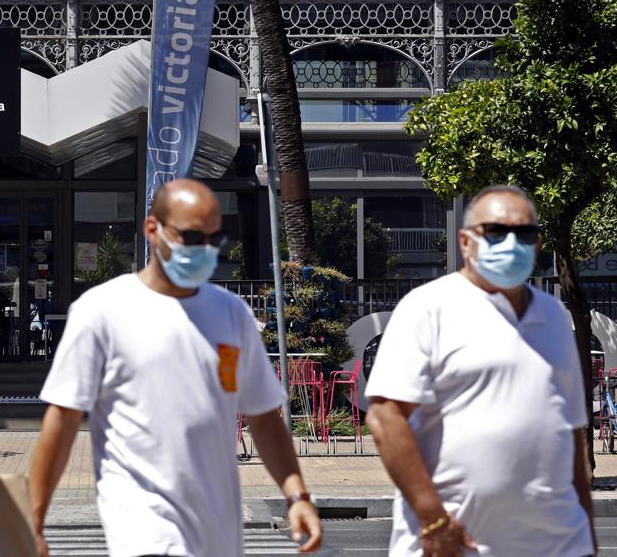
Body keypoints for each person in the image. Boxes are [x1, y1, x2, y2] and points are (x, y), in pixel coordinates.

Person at [29, 178, 323, 556]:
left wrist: (296, 495)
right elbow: (63, 419)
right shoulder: (102, 311)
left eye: (213, 239)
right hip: (144, 530)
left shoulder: (232, 314)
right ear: (152, 229)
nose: (204, 249)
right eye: (191, 237)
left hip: (218, 536)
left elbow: (263, 418)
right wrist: (34, 520)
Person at [365, 185, 594, 557]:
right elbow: (385, 418)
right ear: (465, 242)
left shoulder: (553, 316)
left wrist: (587, 537)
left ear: (538, 246)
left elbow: (571, 432)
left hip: (558, 543)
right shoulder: (428, 308)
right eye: (496, 232)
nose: (511, 243)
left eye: (525, 234)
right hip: (455, 544)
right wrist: (432, 517)